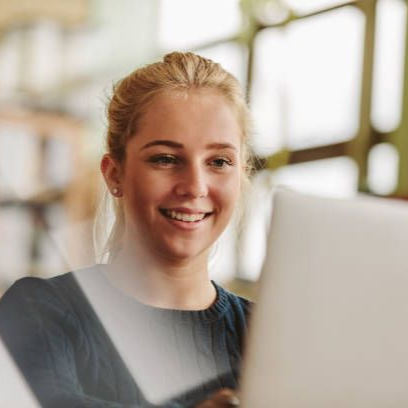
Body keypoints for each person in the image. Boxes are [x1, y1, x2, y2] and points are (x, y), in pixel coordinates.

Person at [0, 52, 253, 407]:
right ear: (114, 173)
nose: (195, 186)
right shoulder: (39, 311)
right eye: (166, 159)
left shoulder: (267, 336)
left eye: (219, 162)